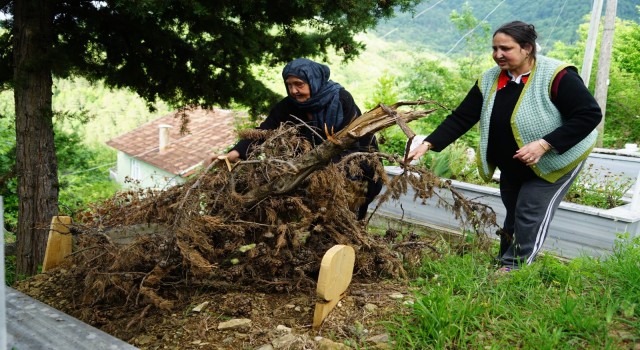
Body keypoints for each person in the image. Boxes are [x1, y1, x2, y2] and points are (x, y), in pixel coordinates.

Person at [406, 21, 602, 271]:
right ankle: (504, 261)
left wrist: (544, 144)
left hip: (556, 159)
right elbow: (462, 117)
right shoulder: (489, 80)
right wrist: (428, 143)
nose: (498, 54)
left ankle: (515, 268)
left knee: (530, 210)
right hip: (513, 162)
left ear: (527, 48)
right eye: (495, 48)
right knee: (514, 211)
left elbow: (589, 114)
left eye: (505, 48)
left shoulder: (557, 75)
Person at [211, 58, 382, 220]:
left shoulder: (341, 100)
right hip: (312, 172)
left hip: (355, 168)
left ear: (314, 81)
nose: (293, 90)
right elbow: (264, 131)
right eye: (289, 85)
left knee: (344, 218)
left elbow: (354, 144)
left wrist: (322, 169)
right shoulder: (289, 106)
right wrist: (234, 153)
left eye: (299, 84)